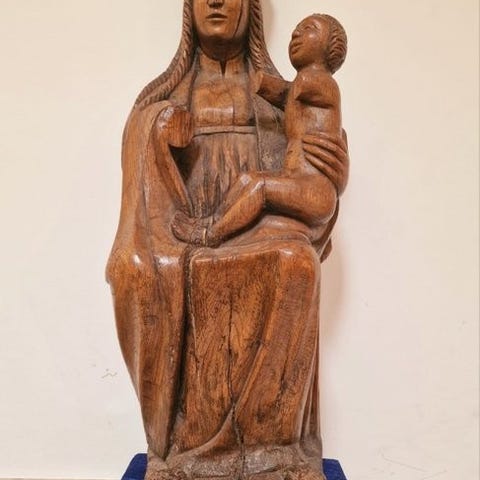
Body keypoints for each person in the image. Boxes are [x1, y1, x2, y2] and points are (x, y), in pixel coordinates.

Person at [106, 1, 349, 479]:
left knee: (296, 260)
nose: (216, 1)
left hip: (257, 228)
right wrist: (155, 126)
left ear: (251, 9)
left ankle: (275, 448)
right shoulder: (162, 95)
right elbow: (138, 187)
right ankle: (184, 450)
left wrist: (335, 175)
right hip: (178, 232)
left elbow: (310, 201)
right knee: (134, 272)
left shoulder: (281, 96)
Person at [171, 13, 347, 249]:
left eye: (309, 29)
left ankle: (210, 235)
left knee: (260, 187)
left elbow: (290, 92)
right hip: (297, 182)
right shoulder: (171, 89)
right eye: (297, 27)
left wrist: (259, 84)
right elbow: (288, 97)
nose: (296, 33)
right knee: (248, 180)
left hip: (312, 189)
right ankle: (212, 222)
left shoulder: (315, 81)